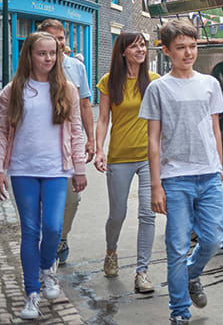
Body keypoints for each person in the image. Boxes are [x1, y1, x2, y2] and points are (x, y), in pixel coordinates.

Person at [139, 19, 223, 325]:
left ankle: (191, 275)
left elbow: (215, 129)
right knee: (175, 247)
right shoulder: (158, 89)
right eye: (181, 48)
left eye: (192, 46)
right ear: (166, 51)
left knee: (214, 240)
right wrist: (155, 185)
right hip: (174, 178)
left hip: (208, 174)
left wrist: (219, 166)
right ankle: (180, 314)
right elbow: (152, 138)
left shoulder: (210, 84)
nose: (188, 53)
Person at [0, 32, 87, 320]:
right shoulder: (12, 91)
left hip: (56, 169)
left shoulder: (67, 89)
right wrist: (1, 169)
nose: (48, 58)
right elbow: (2, 133)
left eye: (53, 53)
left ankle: (47, 268)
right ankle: (32, 293)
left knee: (52, 228)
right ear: (29, 55)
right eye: (42, 53)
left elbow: (76, 132)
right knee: (30, 231)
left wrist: (79, 169)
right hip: (22, 169)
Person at [94, 32, 160, 293]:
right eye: (135, 46)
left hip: (148, 158)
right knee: (118, 214)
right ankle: (111, 250)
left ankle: (142, 272)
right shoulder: (109, 82)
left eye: (143, 45)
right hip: (120, 157)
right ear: (123, 52)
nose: (141, 50)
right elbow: (102, 120)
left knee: (147, 212)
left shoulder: (154, 81)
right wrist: (99, 148)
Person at [37, 19, 94, 266]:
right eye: (53, 38)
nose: (59, 43)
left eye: (61, 38)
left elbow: (85, 104)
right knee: (42, 204)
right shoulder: (33, 67)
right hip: (40, 148)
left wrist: (91, 139)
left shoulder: (76, 67)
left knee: (72, 200)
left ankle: (61, 237)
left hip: (70, 146)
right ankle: (45, 251)